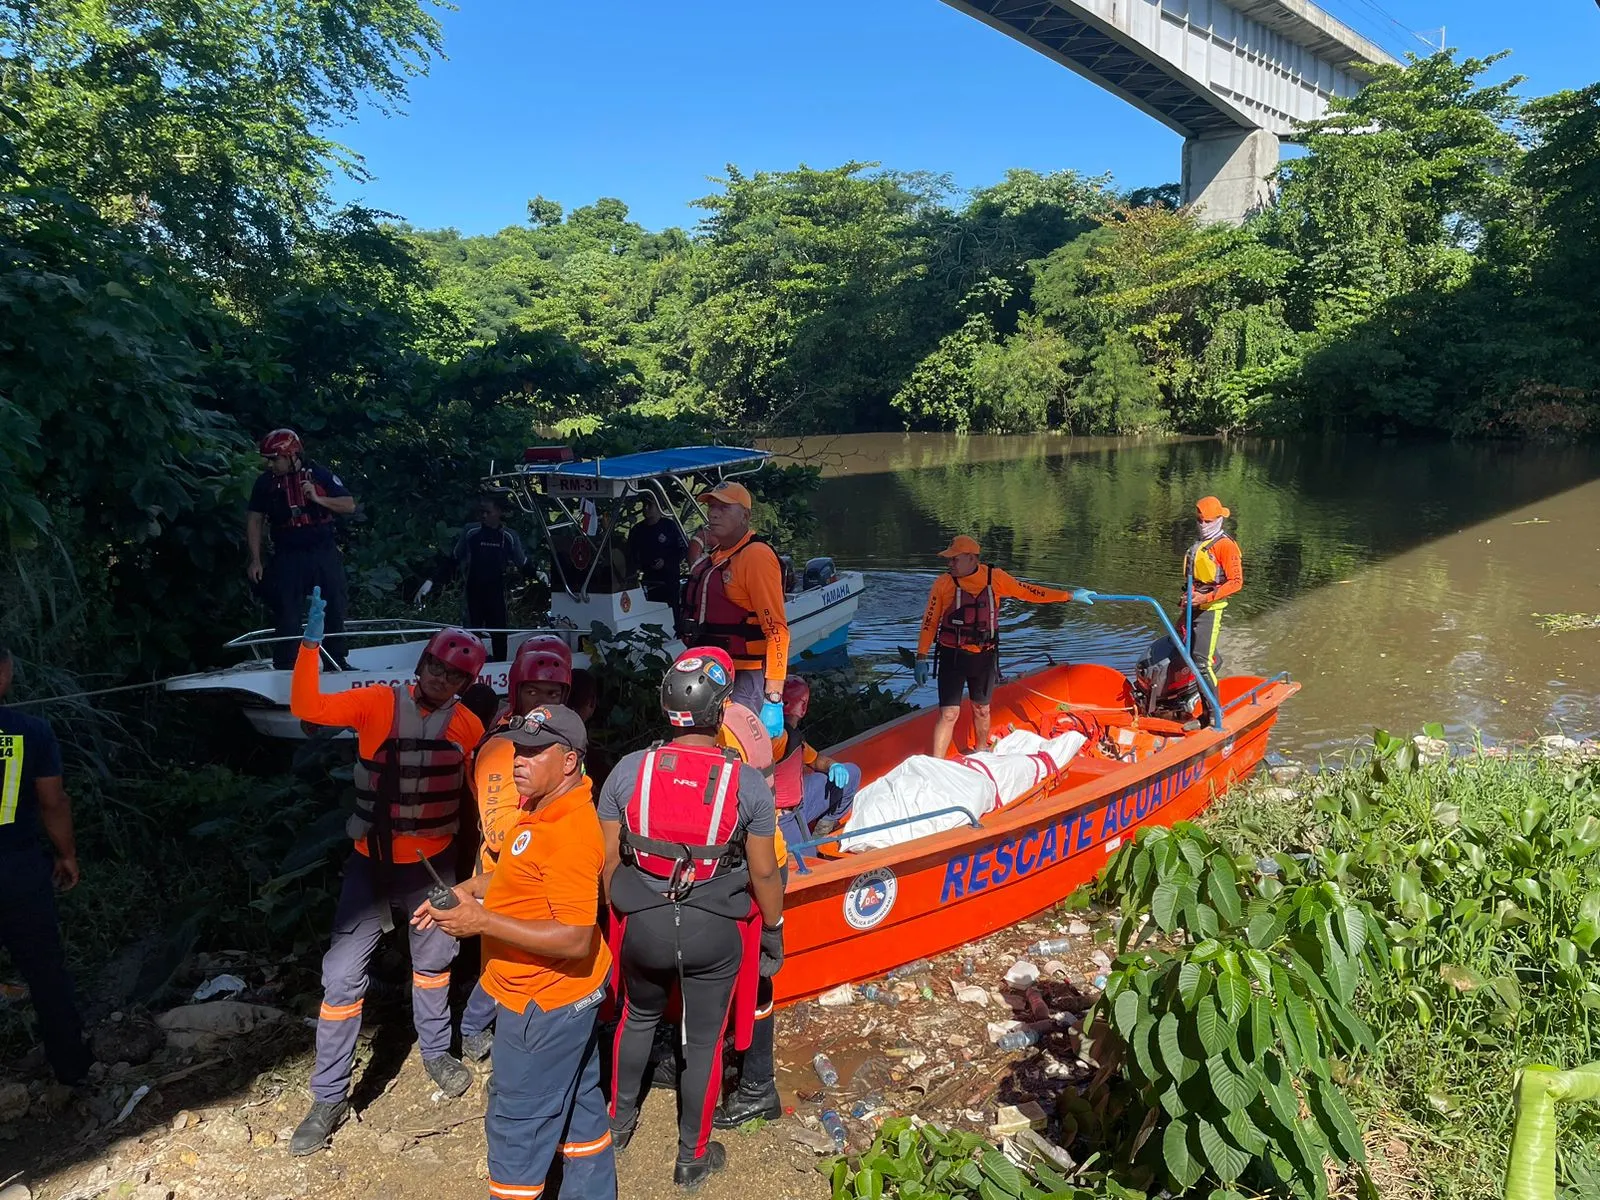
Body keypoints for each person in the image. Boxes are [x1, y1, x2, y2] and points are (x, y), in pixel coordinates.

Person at [287, 588, 487, 1156]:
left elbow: (482, 794)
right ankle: (328, 1096)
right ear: (421, 664)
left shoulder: (469, 728)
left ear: (464, 685)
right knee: (341, 976)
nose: (438, 679)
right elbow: (307, 708)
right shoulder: (375, 702)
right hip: (370, 866)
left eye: (451, 676)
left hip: (433, 868)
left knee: (434, 963)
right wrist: (311, 645)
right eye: (433, 667)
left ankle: (435, 1052)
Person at [413, 705, 616, 1200]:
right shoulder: (540, 808)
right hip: (569, 996)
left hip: (543, 1004)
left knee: (516, 1126)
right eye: (517, 750)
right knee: (579, 1106)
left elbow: (575, 937)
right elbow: (518, 875)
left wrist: (480, 921)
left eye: (532, 752)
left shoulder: (568, 833)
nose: (517, 762)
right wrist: (470, 889)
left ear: (569, 761)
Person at [600, 648, 784, 1189]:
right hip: (713, 926)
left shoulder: (629, 772)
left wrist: (633, 912)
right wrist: (772, 929)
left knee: (636, 1016)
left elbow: (609, 864)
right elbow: (765, 874)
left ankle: (617, 1125)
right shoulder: (746, 783)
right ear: (722, 711)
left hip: (644, 923)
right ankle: (691, 1156)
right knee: (701, 1041)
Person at [458, 635, 575, 1062]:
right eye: (533, 691)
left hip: (545, 866)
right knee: (510, 956)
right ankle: (472, 1028)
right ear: (516, 690)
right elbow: (497, 831)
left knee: (531, 954)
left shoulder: (559, 738)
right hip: (507, 872)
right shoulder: (501, 748)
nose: (543, 701)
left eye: (553, 693)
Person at [0, 647, 92, 1085]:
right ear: (6, 674)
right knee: (45, 972)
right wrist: (67, 854)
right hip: (17, 870)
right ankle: (73, 1069)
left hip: (18, 867)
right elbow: (52, 801)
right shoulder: (31, 732)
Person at [913, 536, 1081, 759]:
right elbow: (930, 620)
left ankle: (982, 754)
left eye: (954, 559)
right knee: (949, 713)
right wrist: (921, 657)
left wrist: (1067, 596)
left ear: (972, 559)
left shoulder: (996, 578)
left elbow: (1028, 591)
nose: (949, 564)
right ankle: (935, 766)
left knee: (981, 709)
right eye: (949, 559)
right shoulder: (943, 584)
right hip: (951, 656)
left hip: (984, 657)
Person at [680, 482, 789, 741]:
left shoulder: (756, 556)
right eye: (711, 506)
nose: (714, 513)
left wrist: (773, 699)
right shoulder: (719, 555)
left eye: (724, 507)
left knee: (740, 751)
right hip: (713, 674)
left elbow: (777, 632)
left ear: (745, 516)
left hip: (744, 678)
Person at [247, 429, 356, 670]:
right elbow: (255, 519)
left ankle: (336, 661)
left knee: (333, 604)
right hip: (288, 552)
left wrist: (318, 499)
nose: (270, 464)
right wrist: (255, 559)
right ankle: (286, 664)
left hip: (322, 550)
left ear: (291, 455)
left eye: (275, 459)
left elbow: (348, 505)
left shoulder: (318, 474)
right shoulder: (265, 482)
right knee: (287, 608)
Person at [417, 497, 531, 662]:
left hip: (497, 593)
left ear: (498, 512)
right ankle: (470, 666)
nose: (483, 516)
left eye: (488, 512)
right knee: (471, 634)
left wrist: (540, 575)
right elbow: (453, 560)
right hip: (473, 592)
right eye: (481, 512)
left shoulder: (509, 536)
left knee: (499, 634)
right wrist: (432, 581)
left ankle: (500, 667)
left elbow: (523, 563)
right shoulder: (471, 531)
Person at [1161, 495, 1244, 696]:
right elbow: (1196, 577)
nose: (1203, 525)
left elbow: (1236, 582)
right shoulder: (1201, 543)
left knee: (1202, 664)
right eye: (1200, 521)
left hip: (1210, 611)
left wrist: (1205, 598)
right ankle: (1179, 697)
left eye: (1208, 522)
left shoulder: (1225, 545)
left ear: (1219, 520)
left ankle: (1213, 716)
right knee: (1178, 645)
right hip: (1192, 606)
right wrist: (1190, 596)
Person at [769, 677, 858, 850]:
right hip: (781, 816)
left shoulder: (794, 738)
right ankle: (809, 844)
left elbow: (816, 760)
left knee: (852, 773)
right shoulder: (777, 737)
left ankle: (822, 831)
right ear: (803, 707)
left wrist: (833, 766)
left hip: (800, 802)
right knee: (809, 862)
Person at [626, 492, 689, 612]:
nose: (646, 508)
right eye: (644, 504)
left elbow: (683, 549)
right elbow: (631, 555)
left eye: (650, 505)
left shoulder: (670, 527)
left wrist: (666, 562)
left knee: (671, 612)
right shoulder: (637, 530)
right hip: (647, 579)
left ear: (660, 507)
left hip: (669, 579)